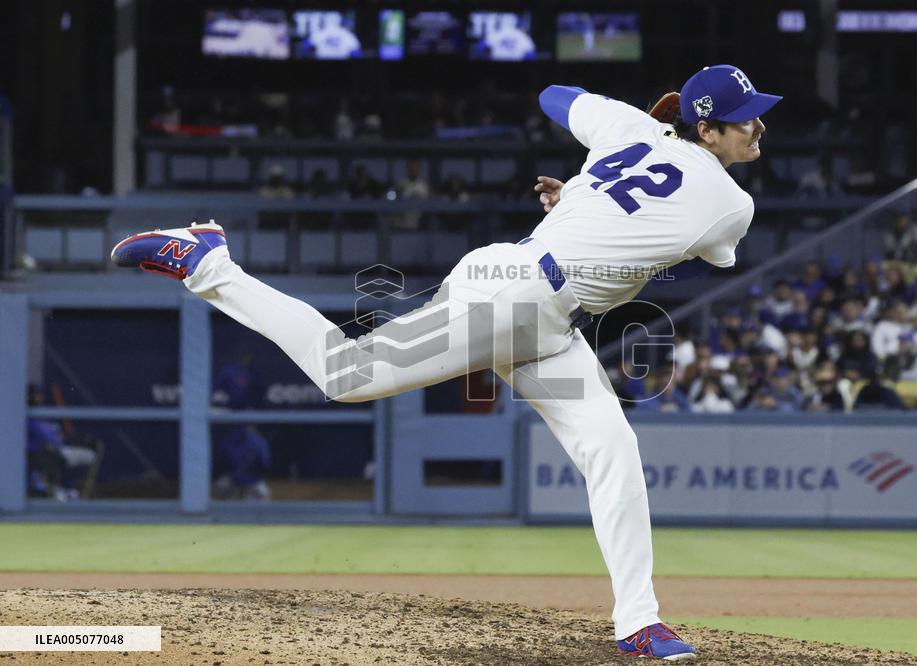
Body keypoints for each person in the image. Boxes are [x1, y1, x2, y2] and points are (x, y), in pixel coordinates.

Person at [111, 64, 781, 661]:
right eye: (744, 118)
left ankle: (639, 622)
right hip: (514, 297)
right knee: (348, 376)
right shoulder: (732, 204)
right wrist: (599, 184)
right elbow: (665, 234)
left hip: (541, 311)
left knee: (612, 449)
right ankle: (206, 261)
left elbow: (555, 94)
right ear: (708, 127)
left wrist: (609, 160)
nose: (759, 126)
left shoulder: (630, 128)